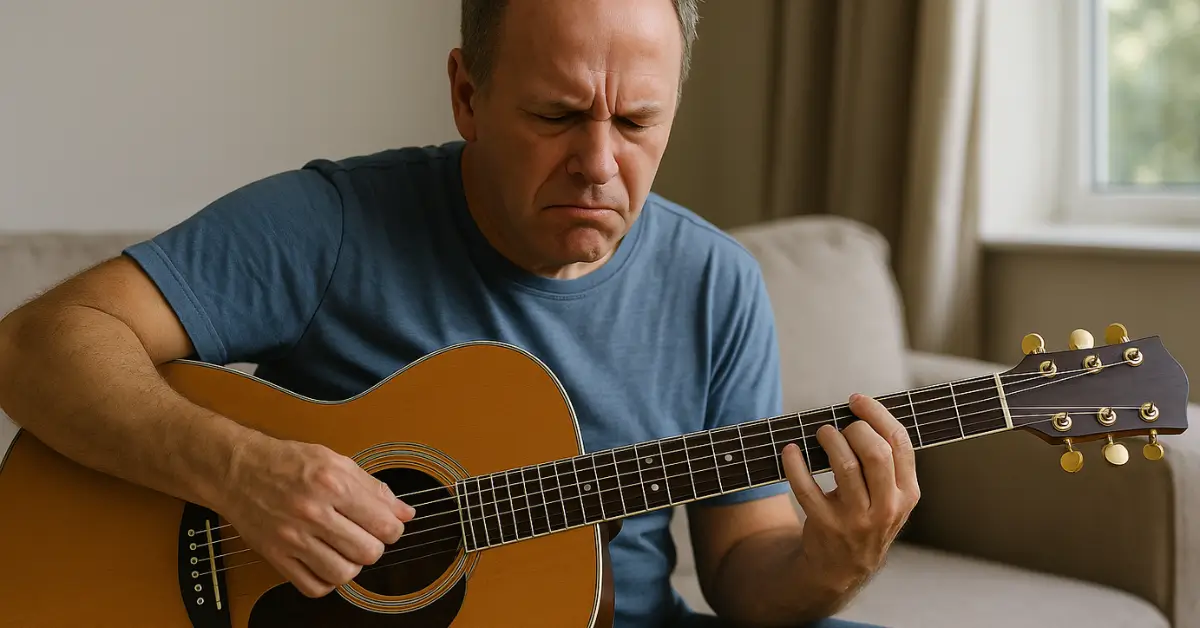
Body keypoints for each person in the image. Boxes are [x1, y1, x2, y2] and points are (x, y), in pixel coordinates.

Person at [0, 0, 919, 626]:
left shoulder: (718, 283)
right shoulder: (332, 224)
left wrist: (832, 563)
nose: (600, 165)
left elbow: (743, 568)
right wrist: (241, 470)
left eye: (638, 122)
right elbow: (35, 346)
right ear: (468, 95)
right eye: (557, 115)